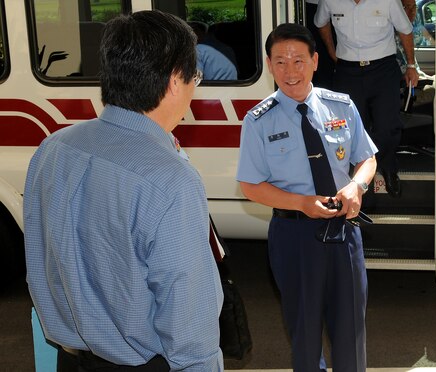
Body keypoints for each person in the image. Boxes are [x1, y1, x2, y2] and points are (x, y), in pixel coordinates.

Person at [23, 10, 224, 371]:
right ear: (175, 80)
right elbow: (188, 324)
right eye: (195, 76)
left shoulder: (53, 148)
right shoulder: (171, 180)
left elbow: (40, 260)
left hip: (68, 360)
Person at [236, 23, 377, 371]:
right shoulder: (257, 121)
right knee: (305, 333)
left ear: (315, 61)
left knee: (351, 331)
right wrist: (301, 203)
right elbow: (251, 186)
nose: (290, 71)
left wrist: (356, 186)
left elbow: (368, 158)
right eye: (280, 62)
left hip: (345, 233)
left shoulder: (341, 107)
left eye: (298, 60)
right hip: (294, 236)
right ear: (269, 65)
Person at [315, 0, 419, 198]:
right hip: (348, 71)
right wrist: (331, 51)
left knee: (387, 125)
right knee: (351, 128)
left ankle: (388, 167)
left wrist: (411, 66)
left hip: (383, 69)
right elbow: (321, 23)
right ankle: (358, 178)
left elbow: (405, 29)